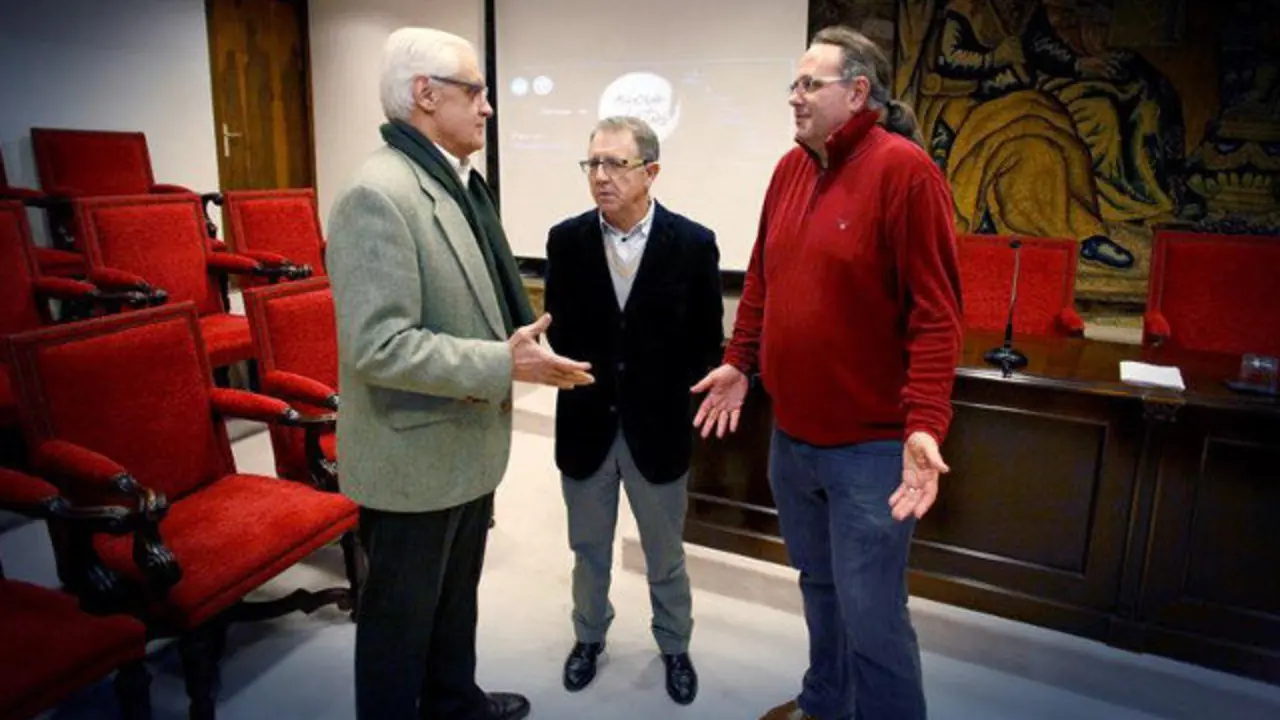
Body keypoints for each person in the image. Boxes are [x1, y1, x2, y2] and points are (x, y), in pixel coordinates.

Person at [692, 26, 964, 720]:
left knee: (873, 616)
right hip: (794, 441)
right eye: (794, 83)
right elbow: (762, 281)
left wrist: (926, 424)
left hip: (871, 451)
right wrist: (739, 362)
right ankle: (825, 704)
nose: (795, 96)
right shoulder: (790, 169)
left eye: (810, 84)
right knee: (820, 587)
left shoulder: (905, 173)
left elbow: (937, 315)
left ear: (858, 92)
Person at [325, 27, 593, 720]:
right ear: (425, 95)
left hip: (460, 443)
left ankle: (452, 702)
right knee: (397, 626)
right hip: (412, 453)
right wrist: (503, 362)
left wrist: (509, 344)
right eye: (475, 91)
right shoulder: (377, 194)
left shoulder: (449, 183)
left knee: (453, 600)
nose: (487, 107)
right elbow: (379, 348)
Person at [544, 116, 723, 705]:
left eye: (615, 164)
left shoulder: (694, 244)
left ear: (651, 172)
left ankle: (674, 645)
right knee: (588, 548)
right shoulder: (564, 241)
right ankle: (588, 637)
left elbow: (704, 343)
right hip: (587, 425)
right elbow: (561, 333)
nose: (600, 176)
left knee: (665, 554)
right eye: (592, 163)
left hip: (658, 429)